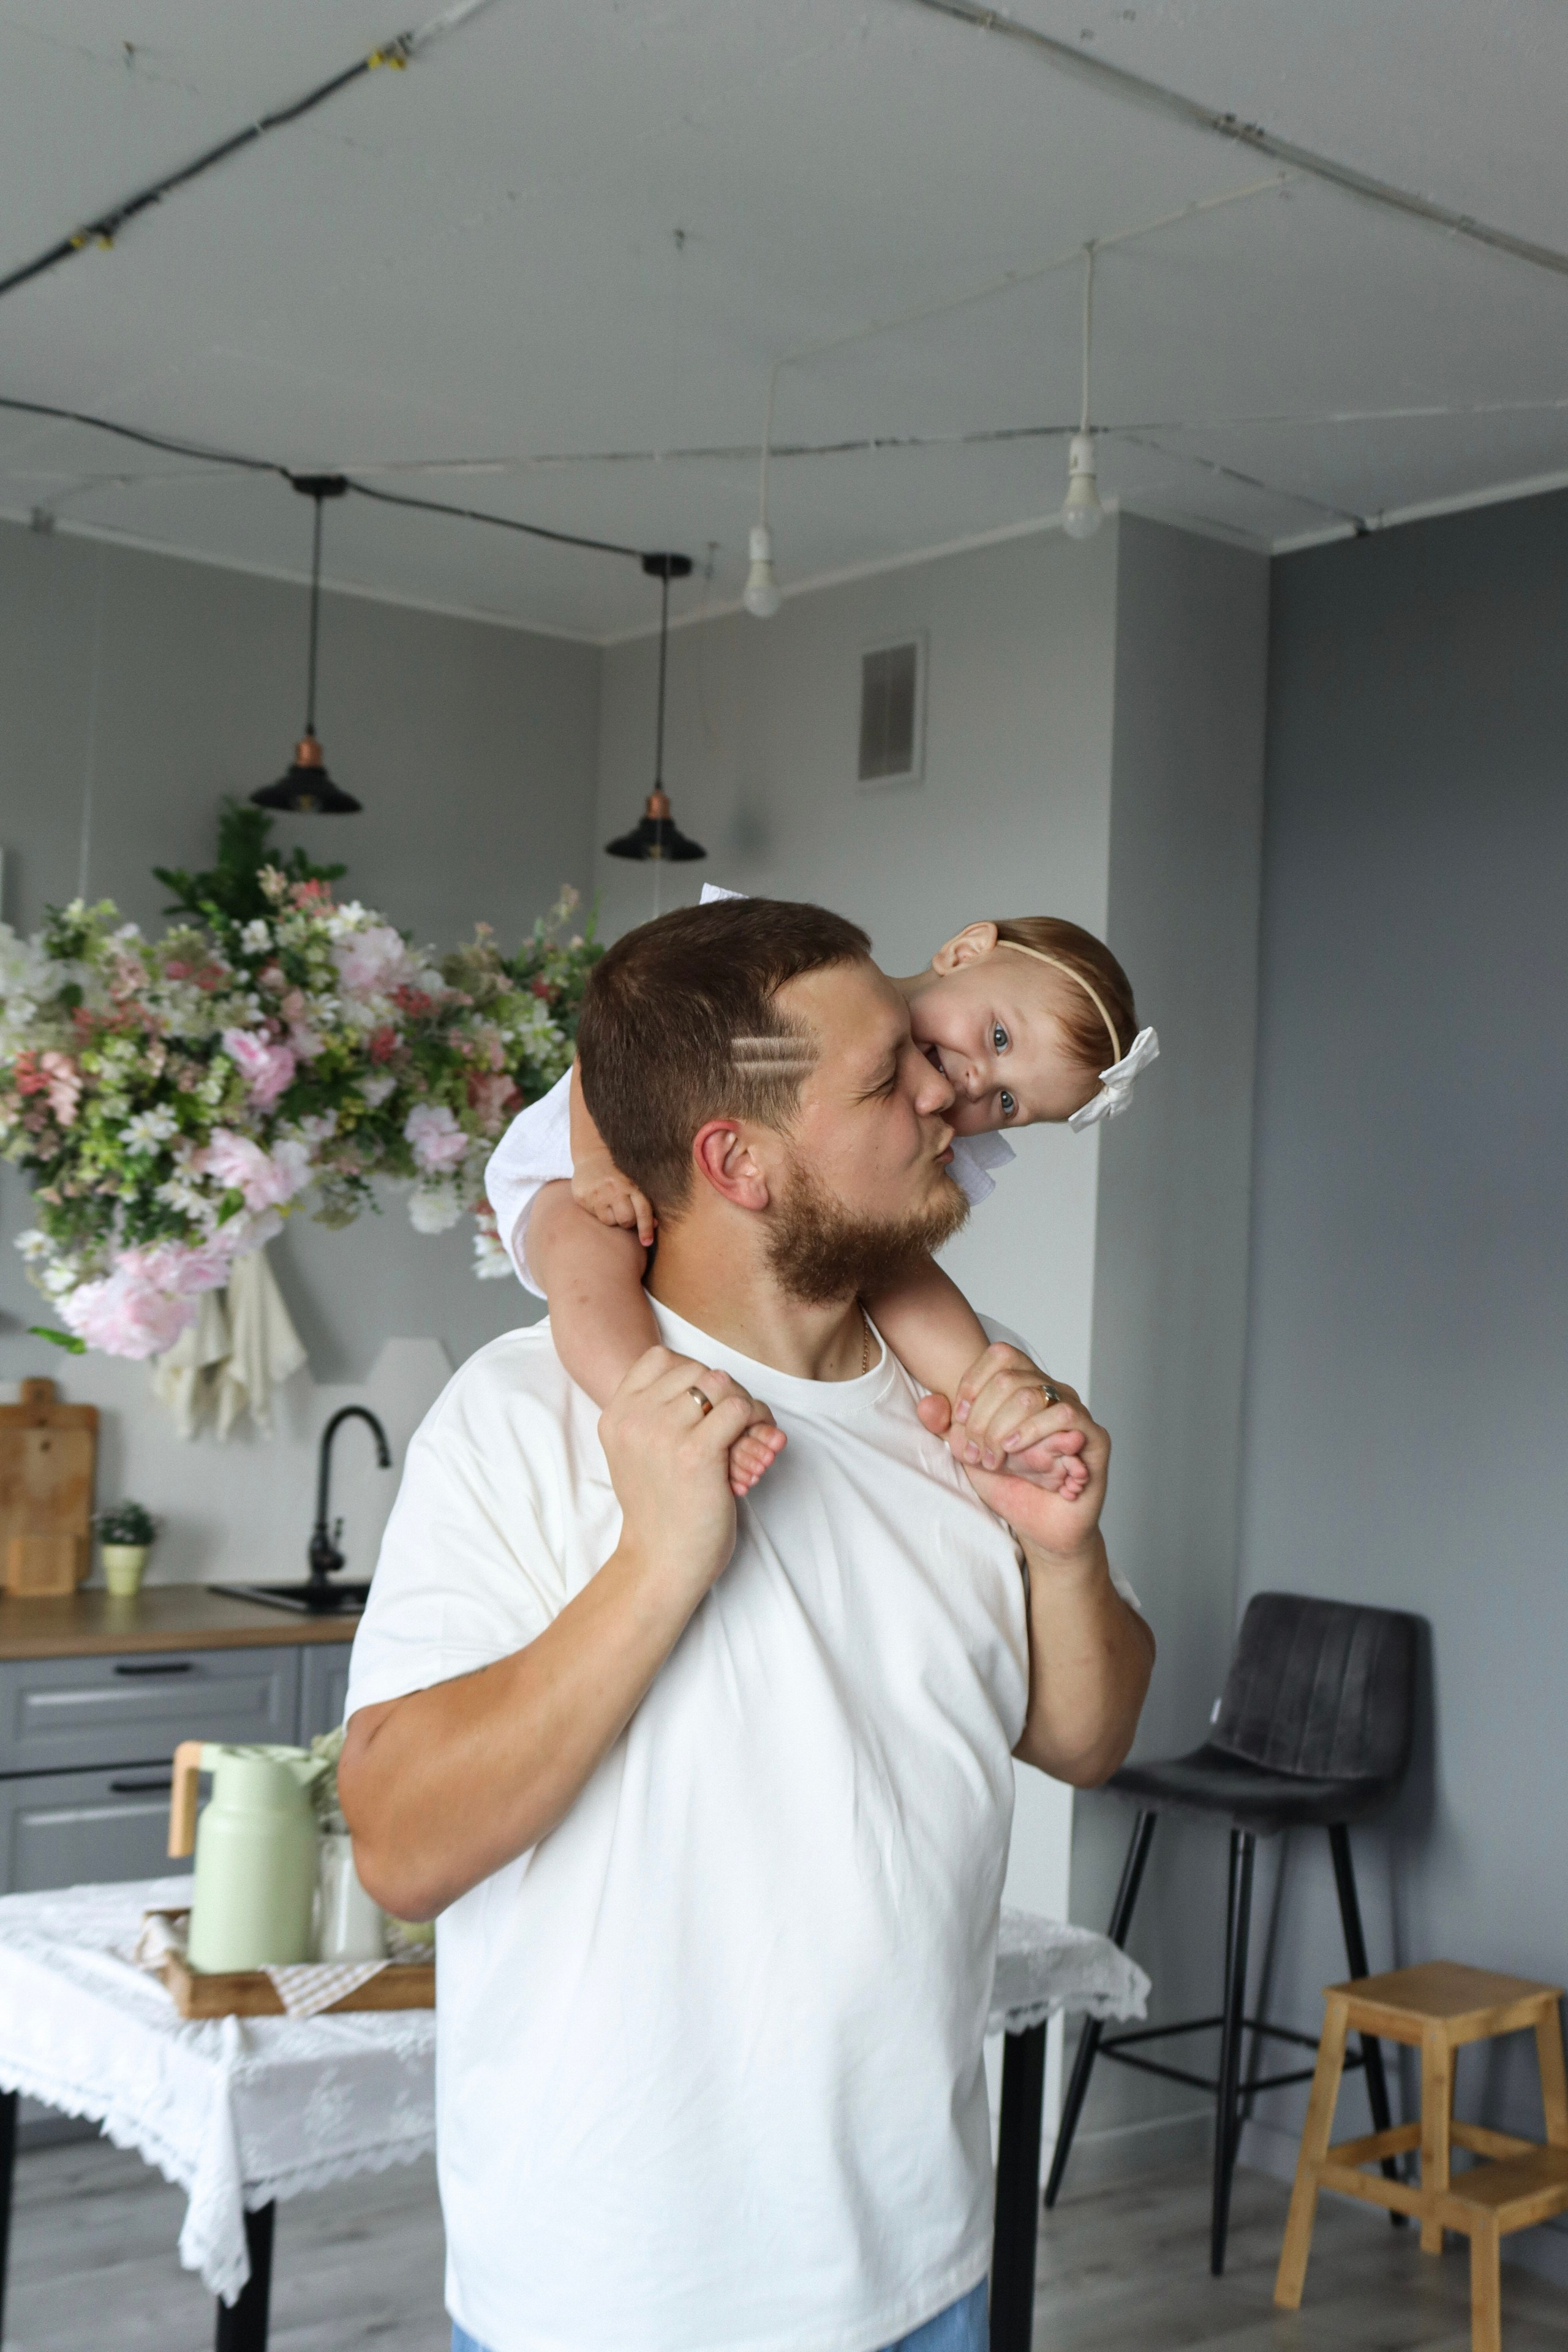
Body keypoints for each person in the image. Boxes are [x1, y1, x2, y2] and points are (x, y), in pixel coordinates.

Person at [339, 895, 1153, 2352]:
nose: (944, 1094)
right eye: (886, 1076)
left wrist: (1063, 1554)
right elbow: (399, 1846)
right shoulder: (522, 1414)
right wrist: (661, 1559)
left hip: (923, 2268)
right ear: (737, 1160)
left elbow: (1083, 1740)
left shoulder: (969, 1407)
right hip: (610, 2295)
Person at [484, 887, 1158, 1494]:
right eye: (999, 1037)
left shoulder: (923, 1114)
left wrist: (1004, 1401)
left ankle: (987, 1399)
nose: (974, 1083)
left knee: (894, 1263)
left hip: (751, 1192)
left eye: (1008, 1102)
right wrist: (593, 1157)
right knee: (585, 1244)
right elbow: (626, 1041)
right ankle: (650, 1402)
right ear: (963, 952)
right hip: (588, 1149)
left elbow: (898, 1270)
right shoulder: (798, 996)